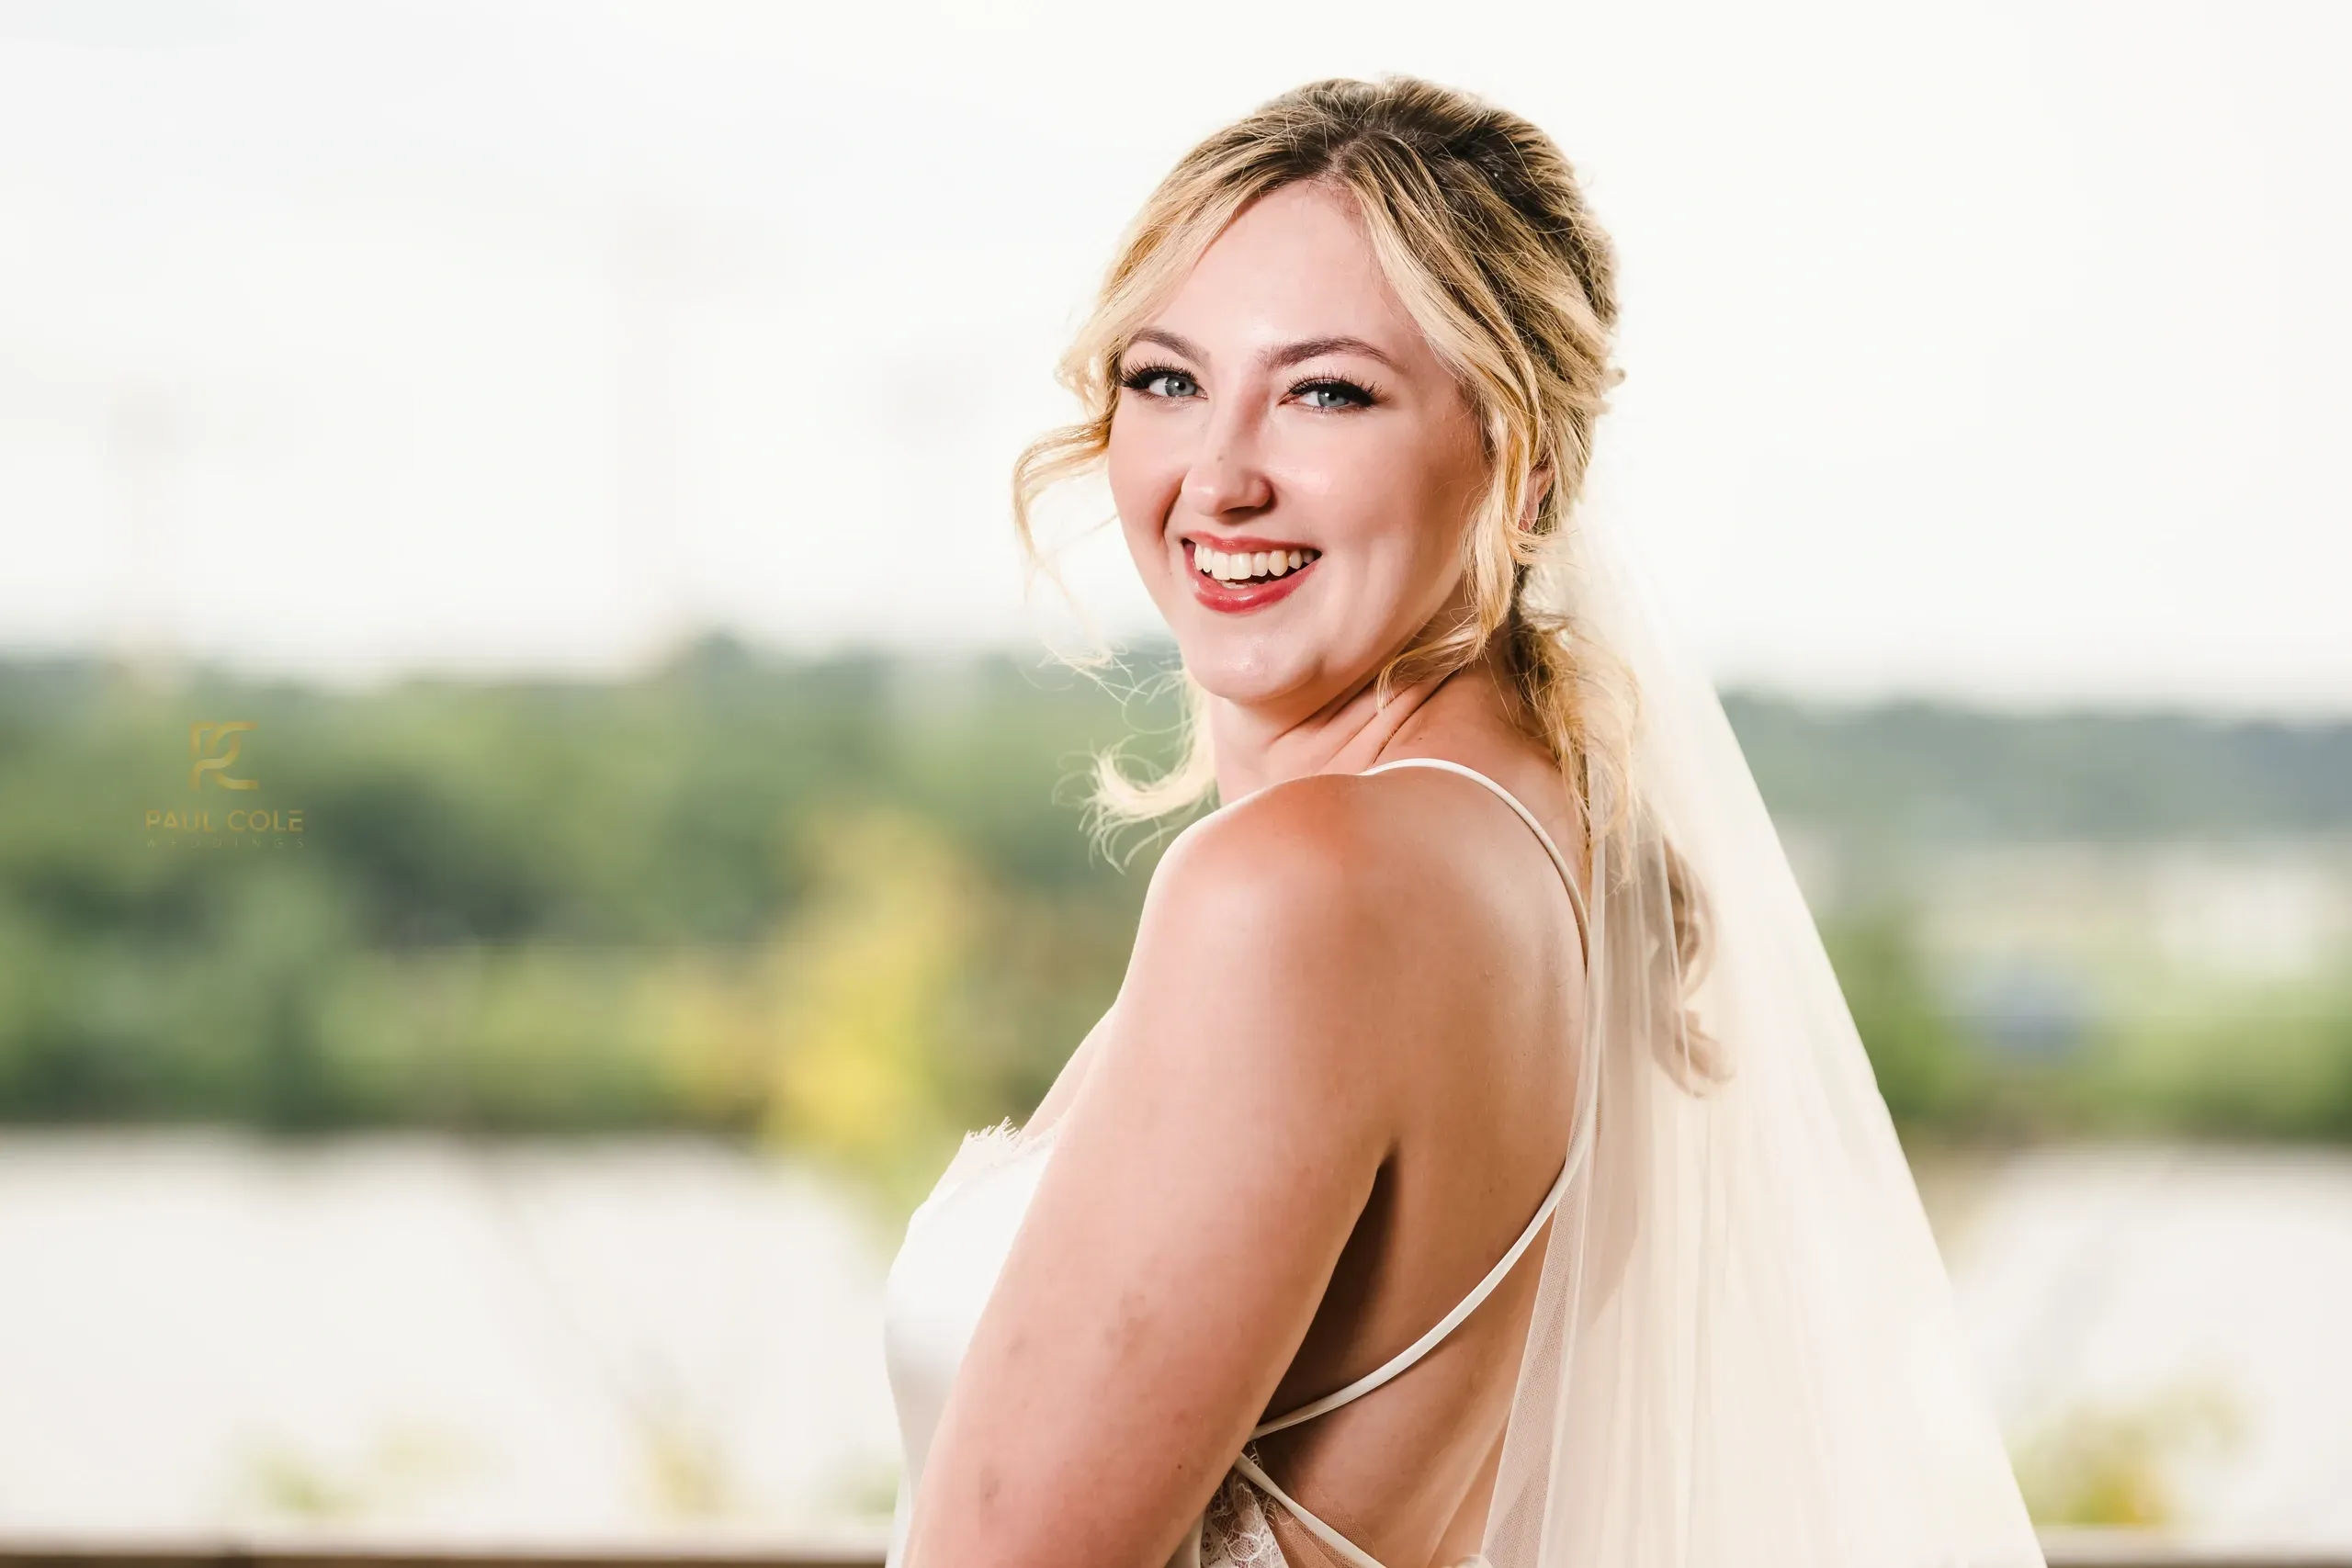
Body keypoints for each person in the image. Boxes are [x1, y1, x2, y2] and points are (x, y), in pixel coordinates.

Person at [882, 76, 2046, 1568]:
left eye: (1327, 392)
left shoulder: (1303, 890)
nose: (1219, 477)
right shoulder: (1555, 851)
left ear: (1521, 460)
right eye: (1168, 379)